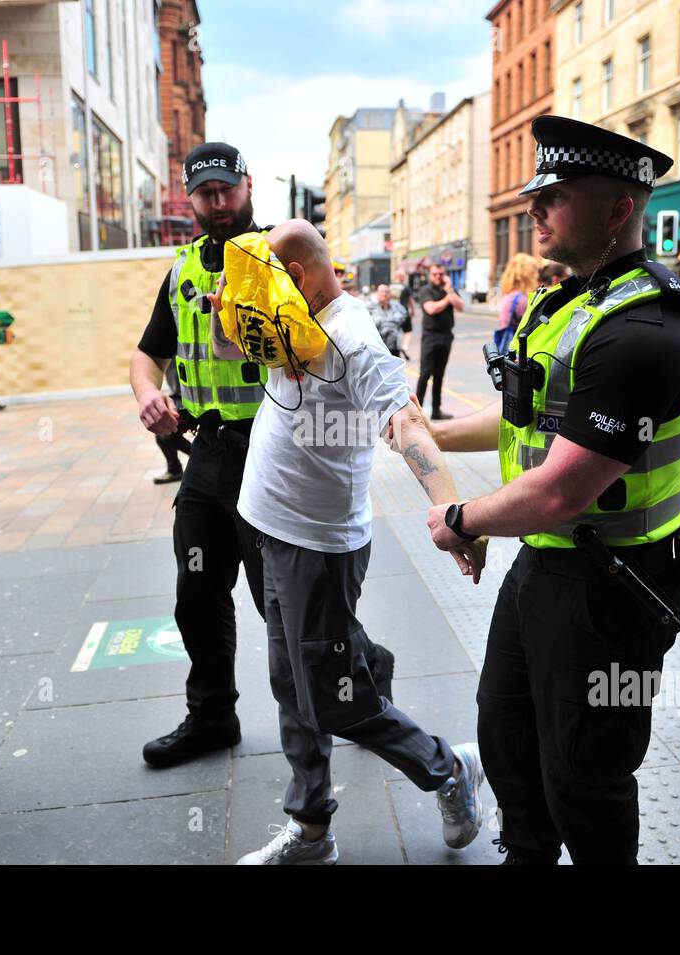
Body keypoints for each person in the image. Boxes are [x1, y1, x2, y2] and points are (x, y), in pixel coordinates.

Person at [422, 116, 680, 865]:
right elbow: (525, 421)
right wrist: (436, 432)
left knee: (586, 771)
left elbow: (560, 491)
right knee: (507, 736)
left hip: (613, 587)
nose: (534, 208)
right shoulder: (569, 302)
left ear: (619, 210)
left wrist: (462, 516)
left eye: (557, 194)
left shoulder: (644, 327)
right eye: (535, 193)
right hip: (544, 568)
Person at [129, 143, 397, 768]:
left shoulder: (276, 259)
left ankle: (364, 671)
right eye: (204, 193)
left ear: (248, 187)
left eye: (226, 189)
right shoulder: (182, 270)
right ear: (188, 198)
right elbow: (148, 355)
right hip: (209, 452)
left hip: (274, 453)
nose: (216, 202)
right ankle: (212, 715)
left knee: (284, 605)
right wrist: (148, 394)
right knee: (196, 594)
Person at [229, 220, 486, 865]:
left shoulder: (352, 340)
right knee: (289, 683)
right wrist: (232, 306)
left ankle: (448, 768)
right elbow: (235, 350)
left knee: (333, 699)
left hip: (317, 548)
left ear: (303, 272)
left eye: (274, 276)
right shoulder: (290, 320)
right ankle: (311, 829)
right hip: (269, 529)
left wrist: (454, 514)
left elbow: (409, 427)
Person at [414, 262, 463, 420]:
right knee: (425, 373)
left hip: (446, 336)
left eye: (440, 274)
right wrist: (448, 298)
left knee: (439, 375)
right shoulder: (425, 290)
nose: (438, 277)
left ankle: (436, 409)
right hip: (430, 336)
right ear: (430, 274)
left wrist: (449, 291)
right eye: (435, 274)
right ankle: (417, 410)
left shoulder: (448, 290)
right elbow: (431, 309)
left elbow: (461, 306)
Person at [153, 361, 192, 484]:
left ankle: (201, 456)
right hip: (178, 396)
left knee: (167, 435)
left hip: (192, 398)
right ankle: (174, 470)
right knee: (161, 435)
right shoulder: (164, 352)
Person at [496, 253, 538, 354]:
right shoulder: (521, 299)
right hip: (517, 350)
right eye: (534, 270)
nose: (537, 274)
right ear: (527, 274)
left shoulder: (509, 296)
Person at [366, 282, 409, 358]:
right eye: (381, 292)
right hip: (376, 349)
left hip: (394, 348)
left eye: (386, 292)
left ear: (390, 294)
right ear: (377, 293)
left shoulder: (397, 307)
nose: (384, 294)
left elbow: (406, 323)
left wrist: (405, 345)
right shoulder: (369, 307)